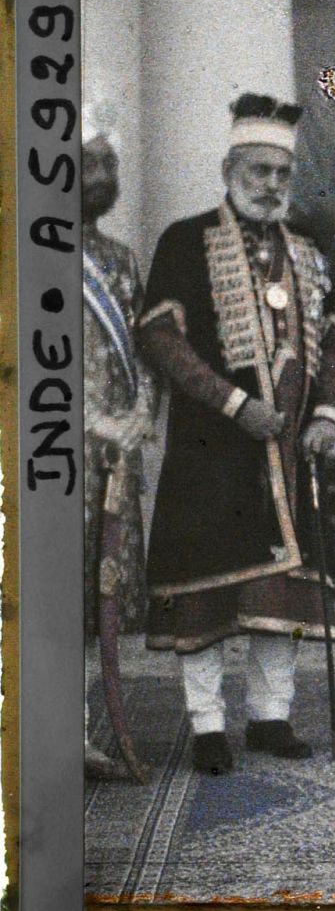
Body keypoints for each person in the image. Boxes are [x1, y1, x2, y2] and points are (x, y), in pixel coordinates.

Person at [137, 94, 335, 775]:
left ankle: (270, 717)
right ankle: (206, 725)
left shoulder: (309, 254)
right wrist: (231, 402)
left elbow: (332, 343)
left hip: (288, 451)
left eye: (281, 174)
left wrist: (324, 415)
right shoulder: (183, 239)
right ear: (230, 169)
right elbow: (161, 337)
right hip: (211, 450)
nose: (271, 186)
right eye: (258, 172)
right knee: (208, 588)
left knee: (280, 590)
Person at [80, 103, 155, 780]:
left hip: (113, 460)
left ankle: (76, 736)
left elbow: (145, 350)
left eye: (109, 163)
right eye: (90, 161)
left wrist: (139, 415)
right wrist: (88, 419)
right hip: (52, 456)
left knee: (90, 602)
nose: (102, 175)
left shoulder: (119, 258)